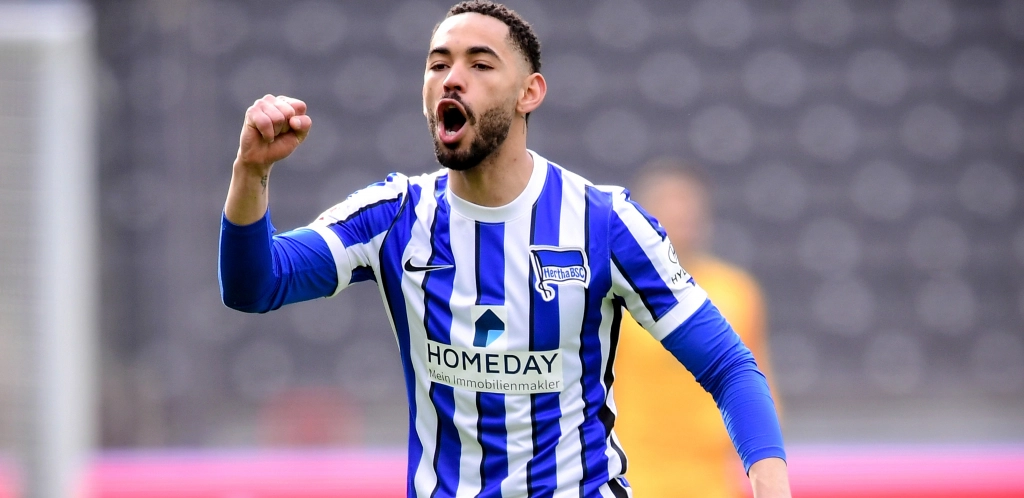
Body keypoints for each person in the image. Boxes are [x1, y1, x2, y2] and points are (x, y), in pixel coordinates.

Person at [218, 2, 790, 496]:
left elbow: (731, 368)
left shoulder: (603, 223)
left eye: (480, 63)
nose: (452, 78)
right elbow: (255, 286)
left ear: (528, 93)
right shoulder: (392, 217)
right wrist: (251, 172)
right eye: (438, 64)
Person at [614, 159, 778, 498]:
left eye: (688, 207)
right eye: (669, 206)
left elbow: (759, 384)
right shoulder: (617, 295)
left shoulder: (736, 291)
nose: (681, 216)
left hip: (710, 481)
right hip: (635, 475)